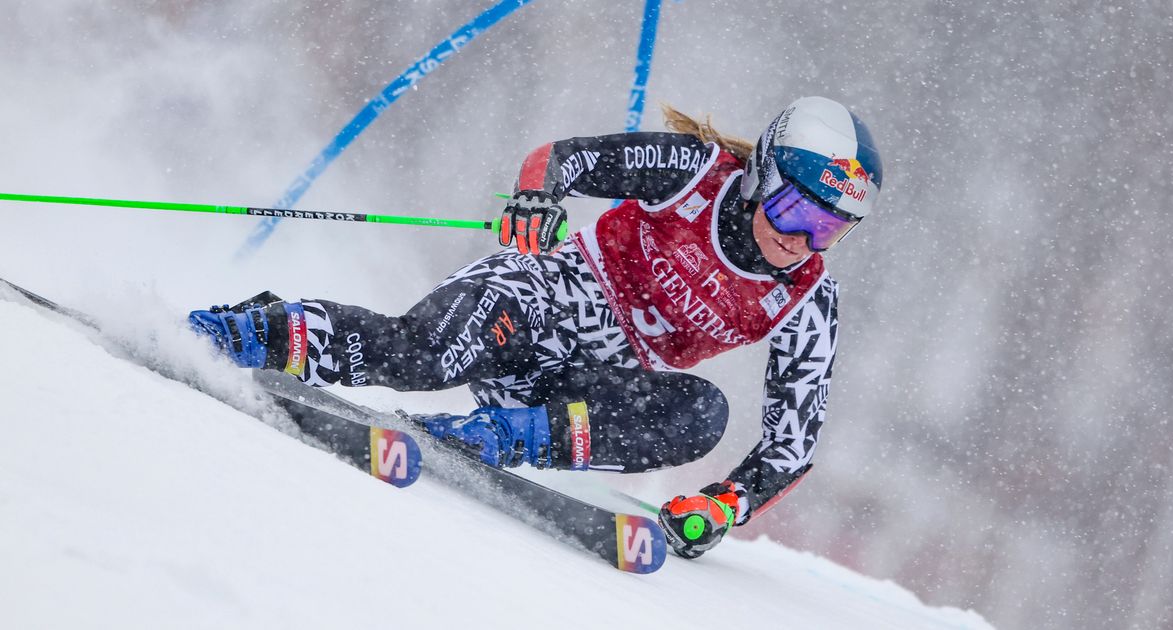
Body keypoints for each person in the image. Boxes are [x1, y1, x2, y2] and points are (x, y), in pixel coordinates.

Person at [189, 96, 883, 559]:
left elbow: (789, 450)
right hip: (543, 298)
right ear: (763, 174)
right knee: (423, 357)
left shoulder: (806, 299)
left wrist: (724, 505)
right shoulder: (696, 174)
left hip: (587, 382)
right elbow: (565, 159)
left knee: (702, 411)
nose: (803, 240)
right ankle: (256, 331)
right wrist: (536, 197)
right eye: (797, 210)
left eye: (831, 228)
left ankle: (494, 439)